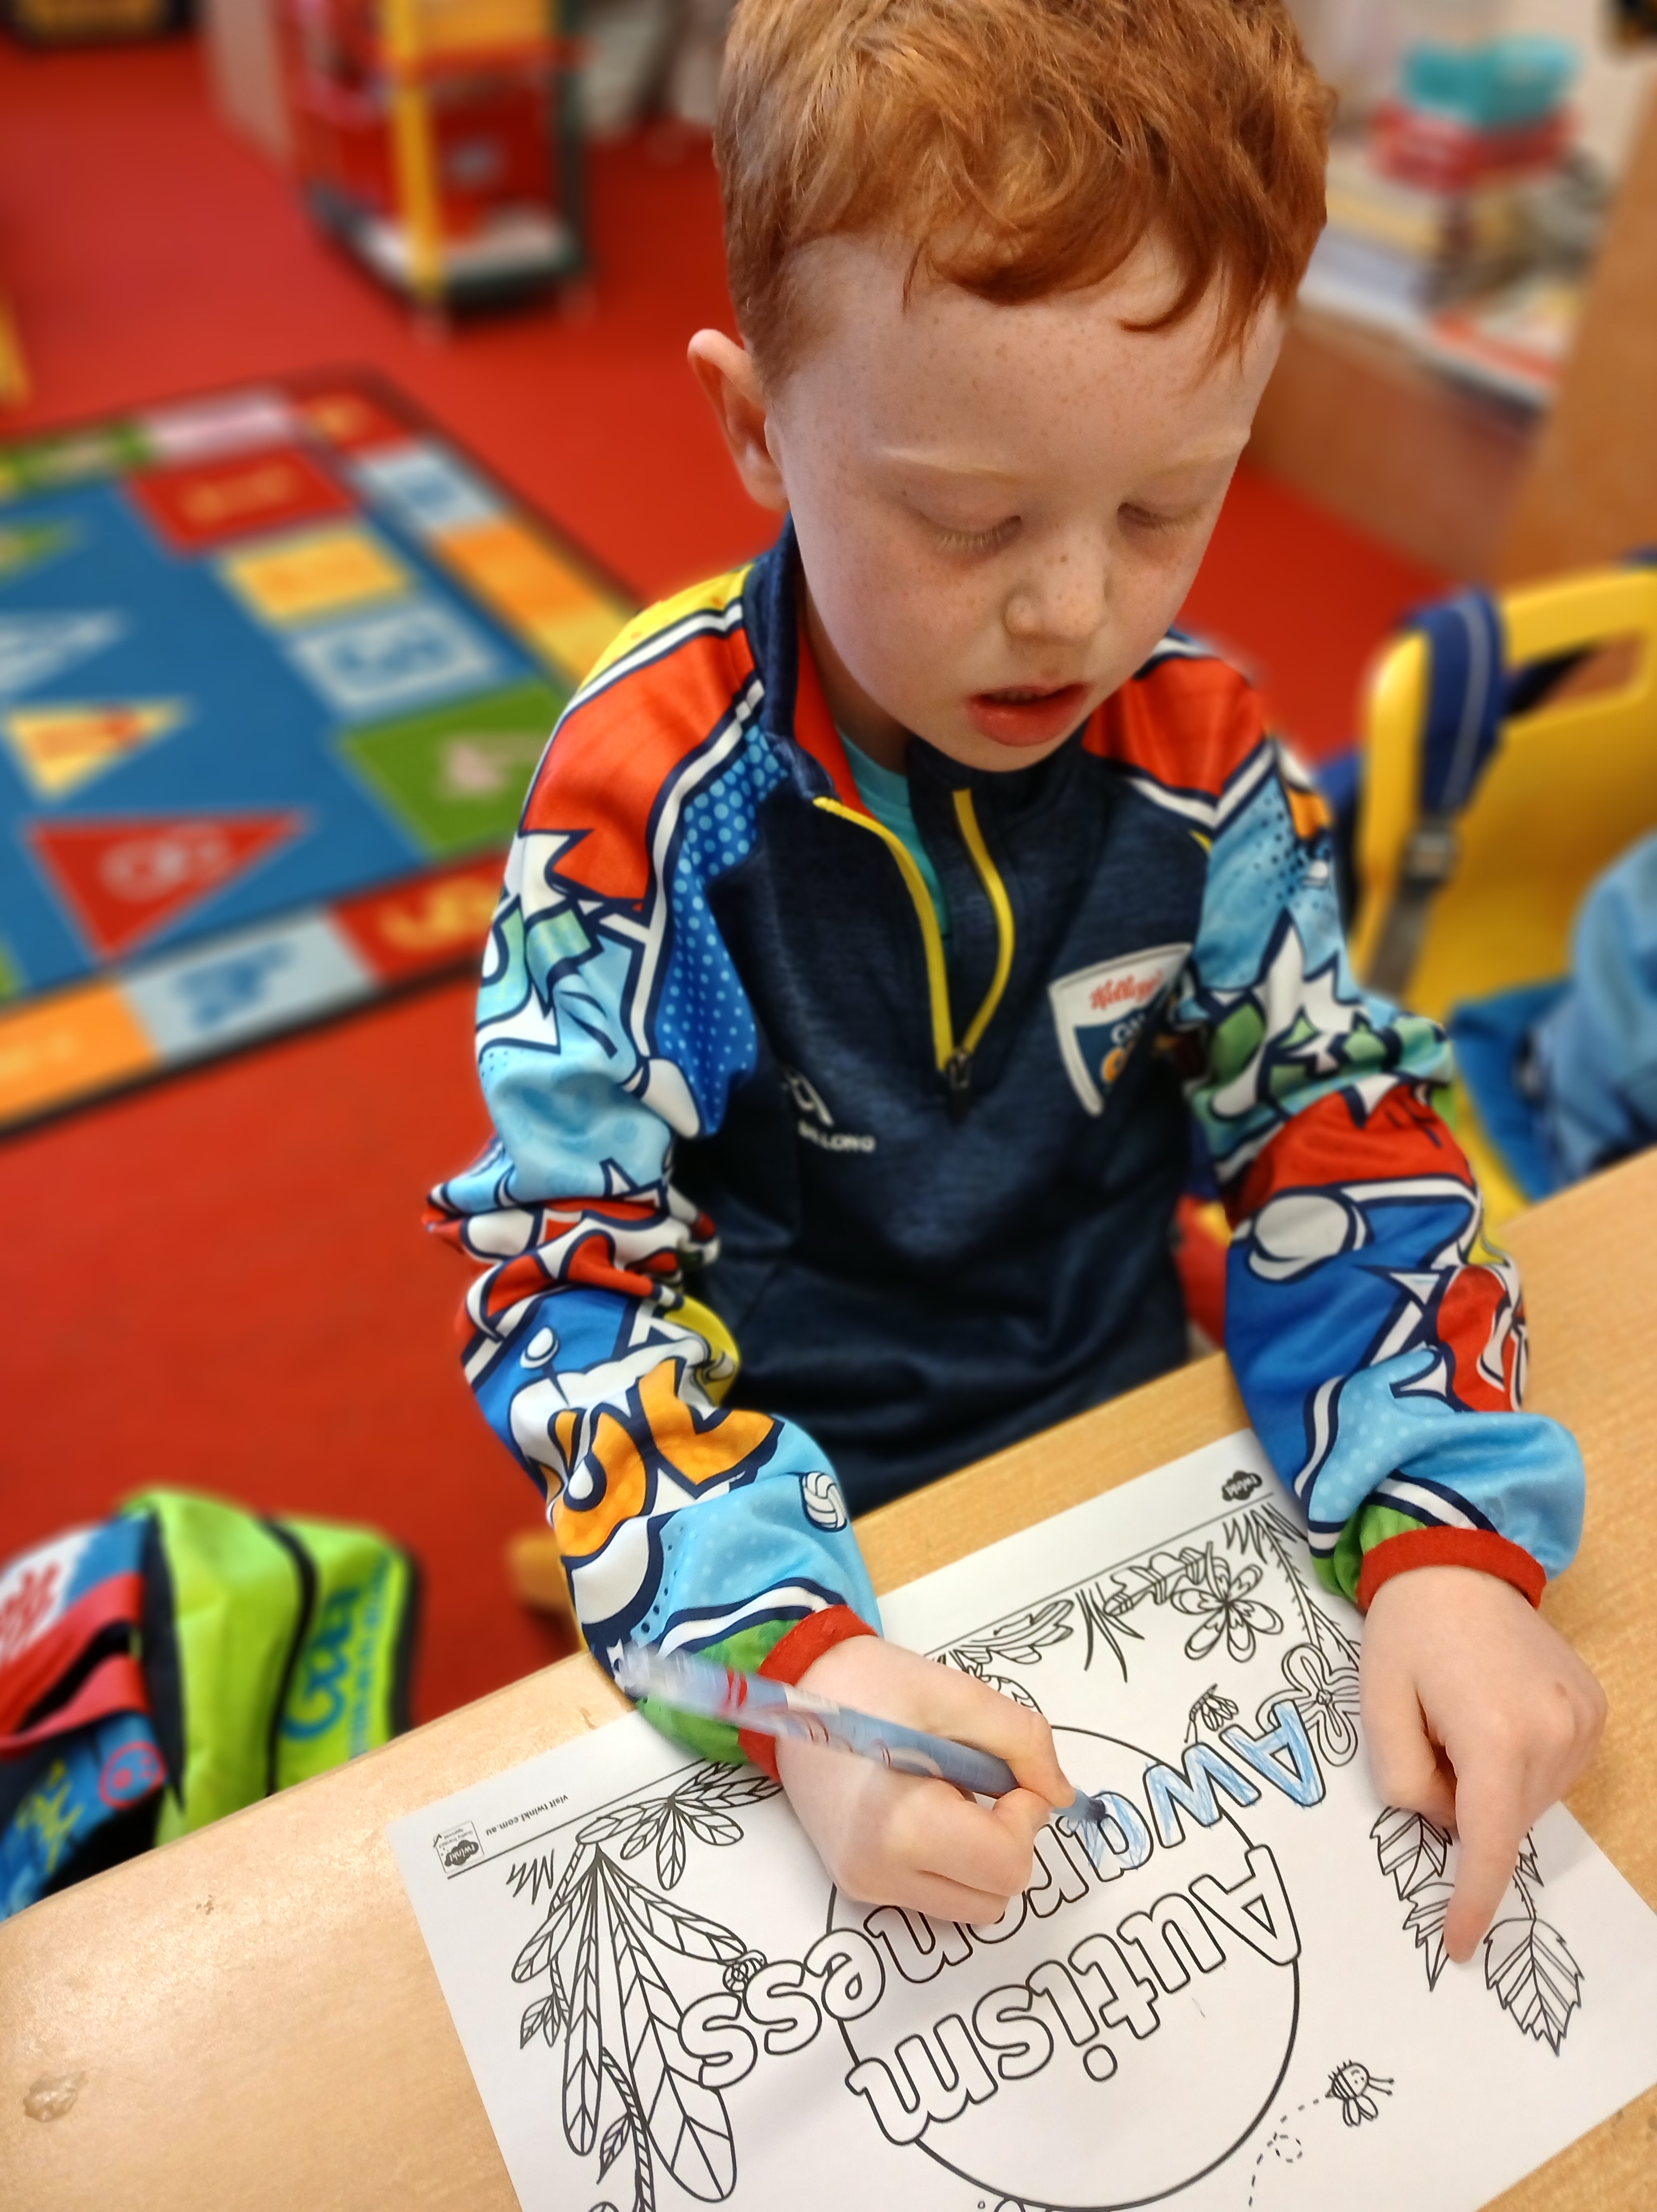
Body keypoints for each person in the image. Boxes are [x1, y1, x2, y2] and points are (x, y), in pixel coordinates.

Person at [428, 0, 1603, 1966]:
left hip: (1141, 1429)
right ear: (754, 428)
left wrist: (1442, 1538)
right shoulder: (650, 812)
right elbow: (567, 1275)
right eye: (968, 519)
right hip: (788, 1500)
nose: (1075, 611)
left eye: (1166, 505)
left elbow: (1333, 1122)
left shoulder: (1202, 760)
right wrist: (786, 1675)